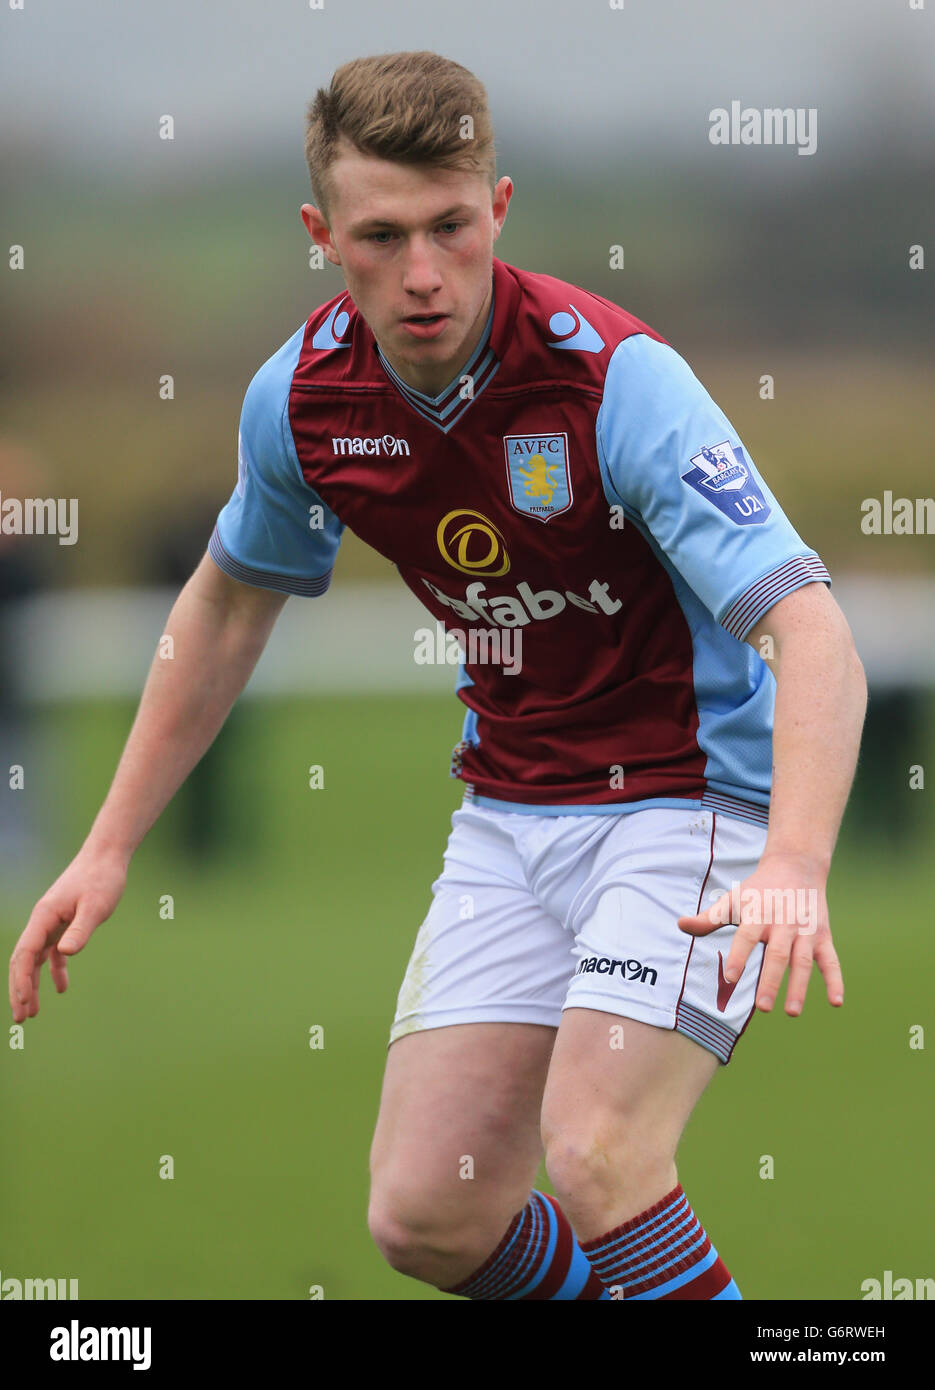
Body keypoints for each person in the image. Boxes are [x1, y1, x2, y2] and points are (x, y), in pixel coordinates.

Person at [8, 50, 867, 1301]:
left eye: (451, 228)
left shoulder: (614, 381)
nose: (421, 273)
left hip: (685, 797)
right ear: (322, 235)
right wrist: (106, 845)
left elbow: (812, 625)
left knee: (596, 1151)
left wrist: (790, 864)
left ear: (497, 209)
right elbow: (226, 607)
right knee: (428, 1213)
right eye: (382, 234)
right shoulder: (303, 401)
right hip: (511, 813)